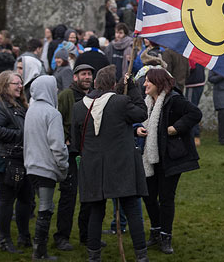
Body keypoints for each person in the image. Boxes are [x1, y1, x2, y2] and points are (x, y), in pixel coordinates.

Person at [72, 65, 149, 262]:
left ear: (96, 83)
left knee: (96, 211)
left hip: (92, 166)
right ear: (113, 84)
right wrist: (132, 88)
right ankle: (141, 257)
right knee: (132, 209)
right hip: (121, 165)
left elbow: (74, 142)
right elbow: (141, 113)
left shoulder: (79, 107)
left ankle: (94, 257)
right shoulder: (121, 102)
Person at [136, 68, 202, 255]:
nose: (145, 84)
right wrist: (137, 130)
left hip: (171, 158)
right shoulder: (147, 102)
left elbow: (195, 113)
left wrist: (177, 127)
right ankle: (155, 230)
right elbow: (138, 121)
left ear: (158, 83)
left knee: (166, 198)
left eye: (148, 81)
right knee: (148, 196)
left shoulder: (175, 100)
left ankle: (166, 236)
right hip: (150, 157)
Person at [0, 71, 33, 253]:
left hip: (20, 158)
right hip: (5, 159)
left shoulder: (19, 105)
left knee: (26, 198)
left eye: (21, 83)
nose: (20, 86)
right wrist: (20, 135)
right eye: (16, 83)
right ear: (5, 85)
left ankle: (24, 237)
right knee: (7, 200)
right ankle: (4, 241)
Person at [24, 75, 69, 260]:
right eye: (54, 87)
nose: (57, 90)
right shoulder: (52, 113)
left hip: (32, 167)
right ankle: (39, 251)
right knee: (45, 209)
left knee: (44, 207)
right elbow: (57, 145)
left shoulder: (31, 110)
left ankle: (39, 249)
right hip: (45, 169)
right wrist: (64, 166)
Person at [53, 63, 93, 251]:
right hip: (70, 154)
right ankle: (61, 237)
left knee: (89, 197)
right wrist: (64, 140)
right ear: (75, 77)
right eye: (83, 74)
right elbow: (56, 122)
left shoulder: (93, 96)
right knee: (68, 196)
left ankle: (86, 236)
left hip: (89, 154)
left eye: (89, 74)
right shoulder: (66, 96)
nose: (87, 77)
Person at [184, 61, 206, 147]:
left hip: (193, 84)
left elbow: (191, 67)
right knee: (194, 108)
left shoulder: (189, 53)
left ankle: (194, 135)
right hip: (200, 82)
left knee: (190, 110)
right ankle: (195, 135)